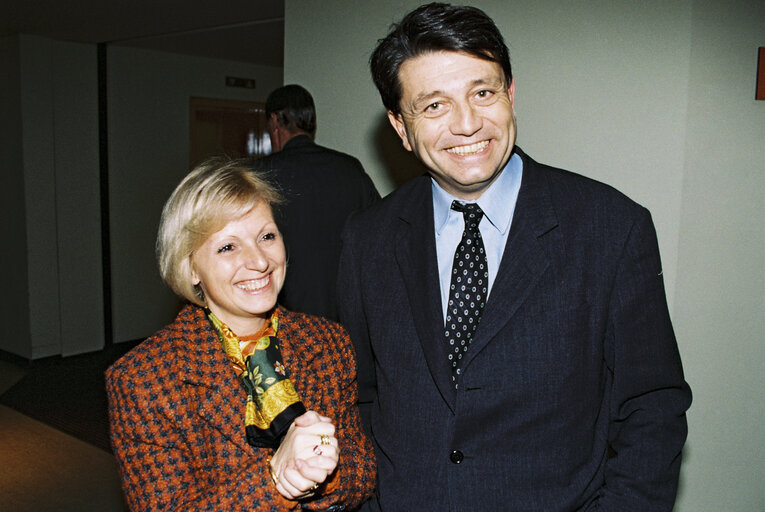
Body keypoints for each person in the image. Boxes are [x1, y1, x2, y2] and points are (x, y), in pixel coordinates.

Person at [337, 3, 691, 511]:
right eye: (434, 106)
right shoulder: (366, 238)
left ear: (511, 95)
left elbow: (652, 407)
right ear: (400, 127)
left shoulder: (610, 227)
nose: (467, 124)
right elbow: (362, 396)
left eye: (483, 93)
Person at [106, 158, 375, 511]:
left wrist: (328, 473)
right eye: (228, 247)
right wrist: (276, 480)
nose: (260, 261)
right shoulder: (143, 381)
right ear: (190, 268)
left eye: (266, 236)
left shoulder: (327, 342)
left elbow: (365, 472)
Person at [258, 84, 380, 321]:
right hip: (343, 320)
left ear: (274, 121)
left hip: (281, 320)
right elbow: (381, 237)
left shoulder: (259, 175)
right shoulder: (350, 169)